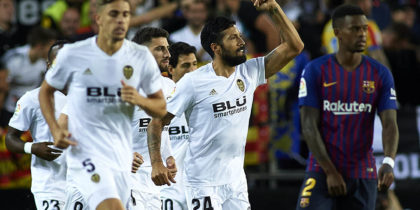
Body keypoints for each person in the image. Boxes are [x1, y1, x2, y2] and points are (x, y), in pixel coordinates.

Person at [147, 0, 304, 209]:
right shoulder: (194, 82)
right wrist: (157, 162)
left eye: (239, 35)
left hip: (236, 182)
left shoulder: (250, 71)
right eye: (233, 38)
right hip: (203, 184)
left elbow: (295, 46)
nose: (242, 41)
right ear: (216, 48)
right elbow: (157, 121)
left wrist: (274, 9)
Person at [38, 0, 167, 210]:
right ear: (98, 19)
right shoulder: (74, 54)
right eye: (114, 14)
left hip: (122, 157)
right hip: (86, 153)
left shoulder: (140, 56)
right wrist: (55, 129)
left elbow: (160, 108)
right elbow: (45, 91)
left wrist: (138, 99)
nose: (120, 20)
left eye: (125, 14)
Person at [296, 4, 399, 210]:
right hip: (321, 170)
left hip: (362, 173)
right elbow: (308, 126)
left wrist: (388, 161)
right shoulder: (315, 70)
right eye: (355, 29)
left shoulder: (380, 74)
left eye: (364, 28)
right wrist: (330, 171)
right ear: (338, 33)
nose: (363, 34)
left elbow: (389, 124)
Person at [5, 40, 68, 210]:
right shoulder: (32, 99)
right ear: (48, 64)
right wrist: (32, 148)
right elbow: (10, 138)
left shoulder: (87, 98)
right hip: (50, 186)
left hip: (83, 183)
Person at [128, 27, 177, 210]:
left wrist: (168, 155)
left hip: (153, 183)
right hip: (124, 181)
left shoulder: (169, 85)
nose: (167, 54)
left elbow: (161, 128)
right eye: (160, 49)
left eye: (167, 48)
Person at [161, 41, 197, 210]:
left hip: (198, 189)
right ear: (171, 69)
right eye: (185, 66)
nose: (192, 71)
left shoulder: (204, 100)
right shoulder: (160, 103)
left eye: (195, 64)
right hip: (167, 191)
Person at [0, 27, 57, 127]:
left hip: (33, 112)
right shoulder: (15, 60)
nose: (52, 51)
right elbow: (2, 90)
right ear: (40, 46)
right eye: (50, 46)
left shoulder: (46, 62)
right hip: (10, 112)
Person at [321, 0, 391, 68]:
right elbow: (379, 60)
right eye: (369, 1)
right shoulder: (368, 27)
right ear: (361, 3)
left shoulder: (328, 28)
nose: (371, 4)